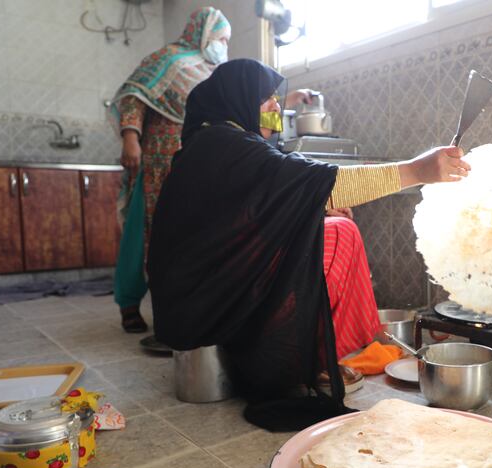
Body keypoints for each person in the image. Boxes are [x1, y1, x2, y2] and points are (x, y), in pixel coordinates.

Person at [147, 59, 470, 431]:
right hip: (207, 301)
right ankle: (313, 358)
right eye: (264, 98)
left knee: (330, 222)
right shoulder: (229, 145)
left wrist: (317, 206)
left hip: (196, 292)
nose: (273, 107)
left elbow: (249, 219)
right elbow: (314, 182)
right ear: (237, 98)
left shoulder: (209, 143)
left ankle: (329, 348)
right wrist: (418, 170)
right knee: (341, 234)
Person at [109, 7, 232, 334]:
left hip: (192, 164)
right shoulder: (168, 59)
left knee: (182, 234)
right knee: (142, 231)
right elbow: (133, 97)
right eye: (221, 38)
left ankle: (178, 302)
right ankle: (129, 304)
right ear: (204, 33)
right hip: (154, 162)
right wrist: (130, 138)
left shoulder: (212, 72)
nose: (223, 45)